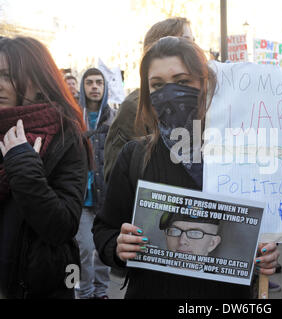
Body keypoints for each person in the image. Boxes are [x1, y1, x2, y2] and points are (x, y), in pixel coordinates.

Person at [93, 36, 279, 298]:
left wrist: (265, 255)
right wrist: (117, 247)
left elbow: (262, 231)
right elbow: (105, 229)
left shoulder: (240, 155)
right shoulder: (135, 156)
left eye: (182, 82)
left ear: (206, 84)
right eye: (157, 85)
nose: (169, 94)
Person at [0, 36, 90, 298]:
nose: (0, 85)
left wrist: (22, 165)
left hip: (36, 287)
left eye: (7, 75)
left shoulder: (65, 134)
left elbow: (62, 225)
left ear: (37, 81)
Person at [103, 17, 194, 183]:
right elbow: (118, 177)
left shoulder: (201, 100)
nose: (195, 49)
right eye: (187, 41)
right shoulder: (135, 106)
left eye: (194, 41)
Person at [76, 67, 115, 299]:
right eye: (89, 82)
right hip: (80, 197)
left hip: (107, 196)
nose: (94, 87)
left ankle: (101, 293)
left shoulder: (114, 119)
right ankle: (85, 292)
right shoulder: (73, 117)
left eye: (99, 82)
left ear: (105, 87)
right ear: (83, 86)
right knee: (84, 249)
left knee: (103, 250)